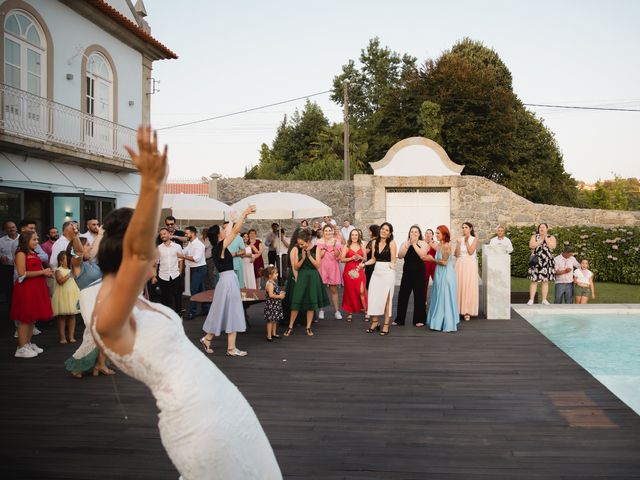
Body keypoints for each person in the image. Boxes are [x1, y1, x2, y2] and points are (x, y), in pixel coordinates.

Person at [91, 126, 281, 478]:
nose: (155, 257)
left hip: (220, 401)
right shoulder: (108, 315)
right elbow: (136, 256)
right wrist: (151, 185)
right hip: (197, 419)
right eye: (150, 249)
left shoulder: (126, 297)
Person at [201, 205, 256, 357]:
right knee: (233, 311)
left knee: (222, 311)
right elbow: (235, 231)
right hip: (228, 281)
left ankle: (208, 338)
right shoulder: (220, 246)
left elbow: (231, 230)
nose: (224, 230)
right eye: (222, 229)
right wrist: (244, 214)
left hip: (225, 281)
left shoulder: (217, 247)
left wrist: (232, 220)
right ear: (219, 235)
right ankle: (231, 349)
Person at [64, 232, 115, 378]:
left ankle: (101, 364)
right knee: (94, 334)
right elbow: (80, 251)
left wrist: (99, 234)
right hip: (90, 301)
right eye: (87, 245)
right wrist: (74, 237)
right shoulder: (77, 265)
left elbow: (93, 249)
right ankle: (78, 364)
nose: (90, 247)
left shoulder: (90, 262)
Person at [11, 230, 53, 358]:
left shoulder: (33, 253)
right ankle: (21, 347)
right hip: (26, 288)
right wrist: (42, 272)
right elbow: (22, 274)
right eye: (34, 239)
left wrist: (47, 272)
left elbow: (37, 268)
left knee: (32, 317)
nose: (37, 241)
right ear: (26, 241)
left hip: (36, 287)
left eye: (37, 239)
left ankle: (28, 343)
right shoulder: (21, 253)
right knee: (25, 317)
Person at [283, 228, 328, 337]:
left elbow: (317, 265)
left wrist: (308, 256)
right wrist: (302, 258)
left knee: (311, 303)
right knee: (296, 302)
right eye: (299, 244)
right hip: (302, 276)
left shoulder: (316, 248)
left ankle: (308, 327)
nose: (300, 246)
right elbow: (296, 267)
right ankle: (290, 326)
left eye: (302, 244)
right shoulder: (296, 249)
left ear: (308, 241)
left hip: (313, 277)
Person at [362, 222, 397, 336]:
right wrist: (364, 264)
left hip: (387, 272)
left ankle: (386, 324)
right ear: (380, 230)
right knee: (374, 297)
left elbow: (393, 260)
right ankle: (375, 322)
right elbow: (373, 259)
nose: (384, 231)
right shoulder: (374, 243)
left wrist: (392, 265)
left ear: (390, 233)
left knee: (387, 299)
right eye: (383, 229)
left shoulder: (392, 243)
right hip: (376, 272)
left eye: (387, 230)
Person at [425, 226, 459, 332]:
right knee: (438, 296)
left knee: (444, 297)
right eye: (436, 233)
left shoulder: (446, 246)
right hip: (439, 273)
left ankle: (446, 323)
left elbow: (444, 262)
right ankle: (438, 322)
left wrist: (432, 259)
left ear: (444, 234)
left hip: (446, 274)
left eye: (438, 233)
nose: (436, 235)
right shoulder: (439, 245)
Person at [394, 225, 428, 327]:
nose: (414, 234)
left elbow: (422, 255)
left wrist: (414, 244)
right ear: (409, 233)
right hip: (407, 273)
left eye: (416, 232)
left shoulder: (423, 243)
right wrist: (408, 244)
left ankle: (419, 319)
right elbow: (400, 256)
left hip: (419, 273)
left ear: (419, 234)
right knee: (402, 295)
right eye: (412, 232)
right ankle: (399, 319)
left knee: (420, 296)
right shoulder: (405, 243)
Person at [178, 226, 208, 319]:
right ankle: (206, 309)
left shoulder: (199, 245)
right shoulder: (190, 243)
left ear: (193, 233)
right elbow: (184, 251)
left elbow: (196, 259)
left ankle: (191, 313)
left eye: (187, 233)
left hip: (199, 269)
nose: (185, 235)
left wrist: (182, 256)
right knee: (201, 290)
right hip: (194, 269)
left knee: (194, 290)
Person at [52, 250, 80, 344]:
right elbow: (60, 281)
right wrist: (69, 275)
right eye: (66, 258)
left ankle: (71, 336)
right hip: (62, 295)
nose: (68, 260)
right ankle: (62, 337)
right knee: (62, 317)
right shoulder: (58, 270)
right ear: (61, 261)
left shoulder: (72, 269)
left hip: (72, 295)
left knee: (72, 316)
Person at [153, 227, 183, 312]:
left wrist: (180, 272)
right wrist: (154, 276)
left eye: (164, 234)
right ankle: (166, 314)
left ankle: (178, 313)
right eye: (161, 234)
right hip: (163, 275)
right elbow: (156, 263)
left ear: (169, 234)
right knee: (164, 296)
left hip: (175, 274)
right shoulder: (158, 248)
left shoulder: (177, 246)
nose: (162, 236)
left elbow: (180, 260)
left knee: (177, 295)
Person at [340, 229, 367, 322]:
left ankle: (366, 311)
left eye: (356, 235)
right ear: (350, 236)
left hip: (359, 270)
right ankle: (350, 312)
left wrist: (360, 257)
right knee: (349, 291)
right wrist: (351, 258)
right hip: (349, 272)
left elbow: (366, 259)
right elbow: (342, 259)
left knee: (362, 291)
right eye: (353, 235)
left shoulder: (361, 245)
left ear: (358, 236)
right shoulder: (346, 246)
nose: (354, 237)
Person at [317, 224, 343, 320]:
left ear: (333, 231)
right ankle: (321, 310)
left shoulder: (337, 241)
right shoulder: (319, 242)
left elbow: (338, 257)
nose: (328, 232)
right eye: (326, 230)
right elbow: (319, 256)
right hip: (322, 267)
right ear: (323, 232)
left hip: (333, 267)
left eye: (329, 230)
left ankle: (337, 311)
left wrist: (335, 246)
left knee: (334, 290)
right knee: (321, 289)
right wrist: (324, 246)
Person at [455, 222, 480, 321]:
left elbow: (470, 252)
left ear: (470, 228)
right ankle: (458, 309)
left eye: (466, 227)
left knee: (468, 286)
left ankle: (467, 311)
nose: (464, 229)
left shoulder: (474, 239)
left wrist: (466, 242)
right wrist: (458, 244)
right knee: (459, 286)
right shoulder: (460, 239)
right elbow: (456, 254)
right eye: (463, 227)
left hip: (470, 264)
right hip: (460, 263)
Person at [527, 223, 557, 305]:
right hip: (536, 261)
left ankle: (544, 300)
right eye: (540, 227)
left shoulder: (551, 237)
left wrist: (545, 238)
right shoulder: (534, 237)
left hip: (547, 261)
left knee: (545, 281)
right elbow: (531, 245)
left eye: (543, 227)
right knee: (534, 280)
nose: (541, 228)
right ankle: (531, 300)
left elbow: (553, 247)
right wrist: (540, 240)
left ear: (547, 229)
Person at [263, 265, 284, 341]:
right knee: (270, 321)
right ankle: (269, 335)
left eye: (277, 273)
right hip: (271, 305)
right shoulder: (270, 284)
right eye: (275, 273)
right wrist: (280, 296)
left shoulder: (273, 282)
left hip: (275, 305)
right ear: (270, 275)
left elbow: (275, 292)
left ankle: (274, 333)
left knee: (275, 320)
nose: (277, 274)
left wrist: (280, 293)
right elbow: (271, 295)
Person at [226, 220, 246, 288]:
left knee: (238, 283)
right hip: (226, 264)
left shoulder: (239, 238)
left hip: (236, 263)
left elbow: (243, 251)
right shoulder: (224, 238)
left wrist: (235, 253)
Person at [364, 224, 379, 293]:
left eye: (370, 231)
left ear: (373, 232)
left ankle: (369, 302)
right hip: (376, 265)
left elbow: (365, 253)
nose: (369, 233)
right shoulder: (379, 241)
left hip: (370, 266)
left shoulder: (372, 242)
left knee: (369, 286)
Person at [423, 228, 437, 299]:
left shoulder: (435, 243)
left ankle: (437, 298)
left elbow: (438, 250)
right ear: (425, 235)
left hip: (433, 264)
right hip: (425, 265)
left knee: (436, 281)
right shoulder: (423, 243)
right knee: (424, 283)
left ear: (432, 235)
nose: (428, 235)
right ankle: (424, 299)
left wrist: (430, 243)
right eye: (426, 233)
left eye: (430, 233)